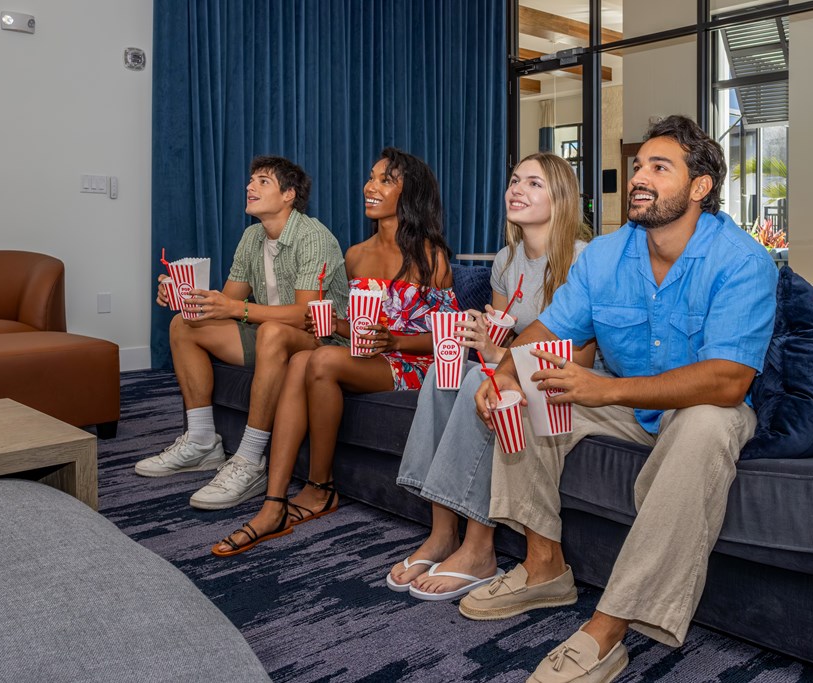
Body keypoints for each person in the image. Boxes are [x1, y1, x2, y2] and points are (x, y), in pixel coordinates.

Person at [467, 115, 779, 683]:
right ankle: (544, 567)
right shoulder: (604, 256)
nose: (640, 177)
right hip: (630, 408)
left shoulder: (742, 261)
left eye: (660, 167)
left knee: (708, 423)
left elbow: (729, 380)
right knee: (531, 384)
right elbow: (551, 329)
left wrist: (606, 388)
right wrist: (505, 371)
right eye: (639, 166)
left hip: (703, 408)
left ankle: (608, 629)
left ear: (700, 186)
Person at [211, 147, 458, 556]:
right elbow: (352, 325)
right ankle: (274, 502)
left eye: (384, 180)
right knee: (302, 358)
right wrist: (329, 325)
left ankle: (319, 487)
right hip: (368, 357)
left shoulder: (431, 257)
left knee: (322, 359)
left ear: (409, 193)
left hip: (414, 361)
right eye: (371, 176)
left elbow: (450, 337)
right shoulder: (356, 255)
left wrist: (395, 341)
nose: (369, 186)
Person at [389, 153, 593, 601]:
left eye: (534, 183)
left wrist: (499, 356)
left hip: (566, 380)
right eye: (515, 180)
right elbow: (501, 338)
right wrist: (484, 338)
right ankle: (442, 533)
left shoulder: (583, 260)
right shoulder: (506, 260)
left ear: (561, 198)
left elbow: (581, 356)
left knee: (477, 385)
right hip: (516, 367)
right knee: (442, 375)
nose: (517, 189)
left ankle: (479, 549)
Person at [135, 156, 348, 512]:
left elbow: (306, 315)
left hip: (323, 340)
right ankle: (202, 441)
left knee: (273, 332)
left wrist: (237, 309)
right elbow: (226, 302)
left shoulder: (313, 237)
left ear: (289, 195)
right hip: (267, 334)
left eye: (263, 181)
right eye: (251, 181)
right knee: (184, 325)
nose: (250, 187)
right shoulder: (252, 237)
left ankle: (250, 460)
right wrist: (183, 295)